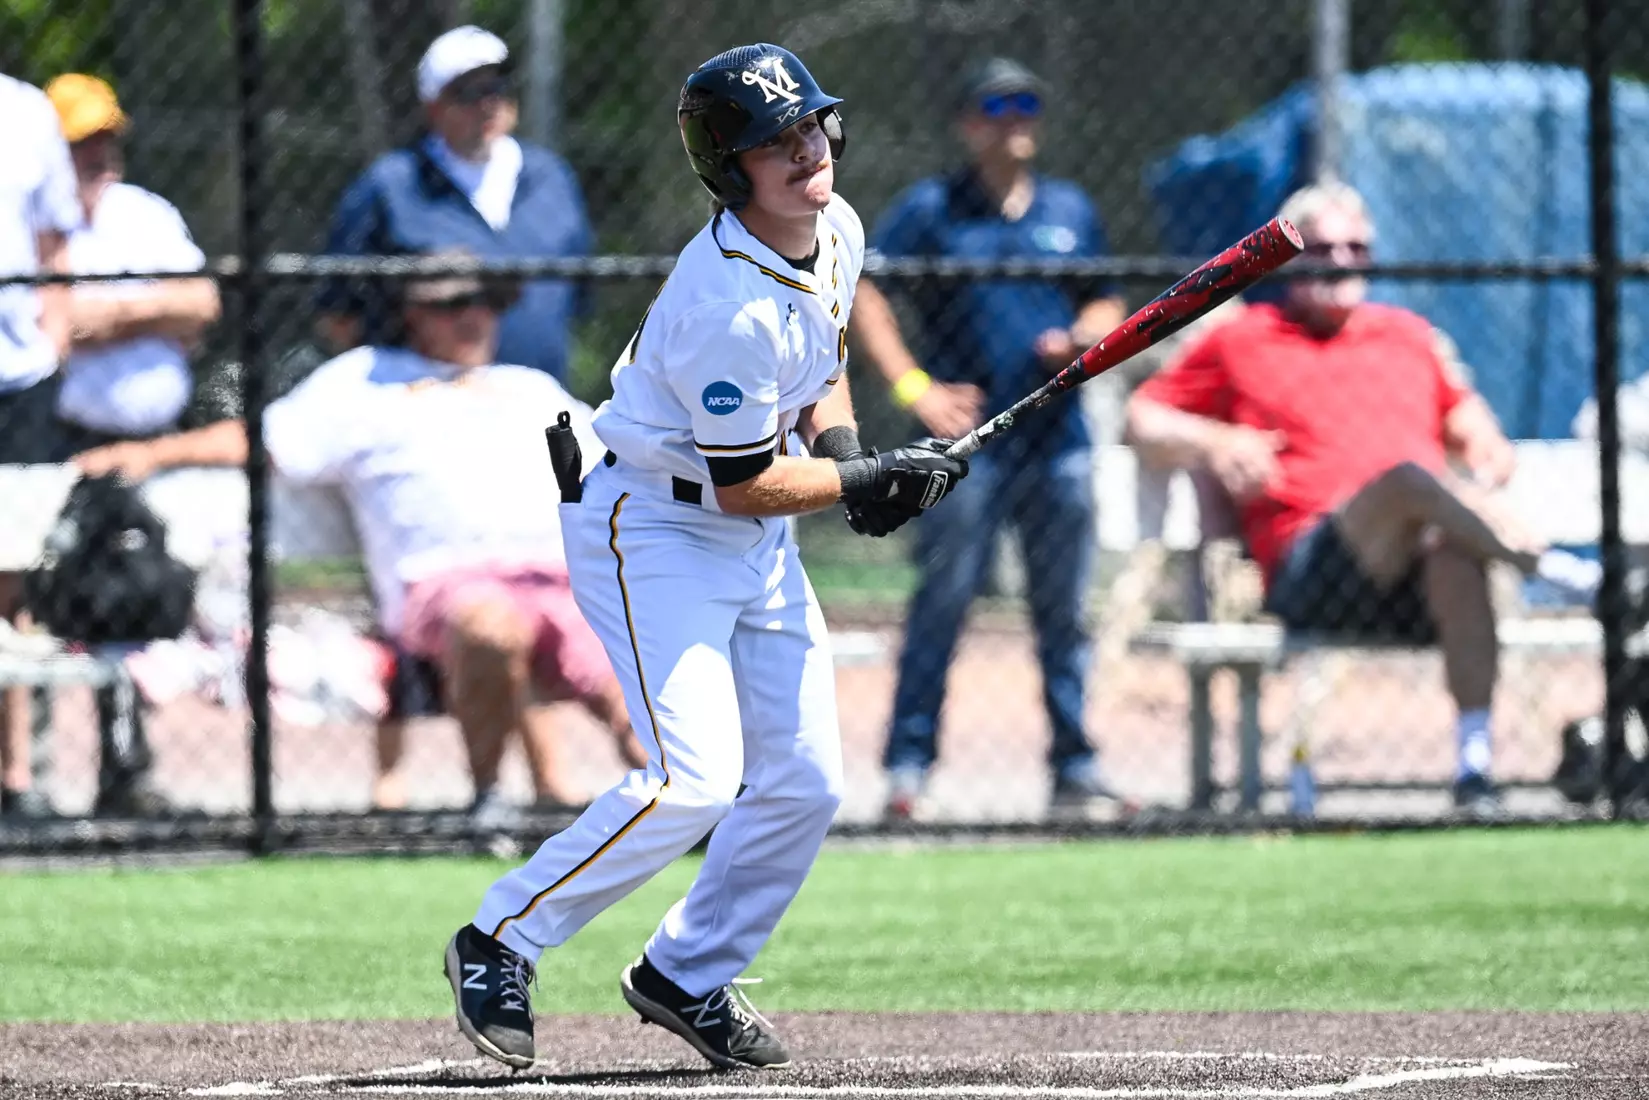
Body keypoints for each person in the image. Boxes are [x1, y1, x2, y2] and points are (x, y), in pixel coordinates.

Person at [440, 44, 969, 1073]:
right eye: (773, 141)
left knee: (807, 781)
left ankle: (684, 970)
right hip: (655, 527)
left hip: (753, 535)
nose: (803, 149)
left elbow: (822, 364)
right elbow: (738, 482)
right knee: (694, 780)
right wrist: (865, 485)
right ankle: (498, 936)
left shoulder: (837, 227)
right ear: (729, 168)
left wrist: (849, 454)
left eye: (810, 125)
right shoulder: (721, 302)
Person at [85, 258, 648, 828]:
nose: (473, 318)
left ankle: (688, 810)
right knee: (492, 625)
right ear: (412, 314)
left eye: (487, 302)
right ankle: (489, 805)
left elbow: (621, 462)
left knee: (633, 685)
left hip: (562, 577)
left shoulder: (528, 387)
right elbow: (268, 440)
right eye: (451, 305)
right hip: (449, 581)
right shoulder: (365, 381)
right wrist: (151, 454)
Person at [1126, 181, 1603, 816]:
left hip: (1418, 581)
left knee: (1453, 553)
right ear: (1285, 257)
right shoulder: (1242, 337)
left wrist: (1486, 449)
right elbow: (1141, 418)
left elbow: (1472, 424)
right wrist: (1215, 441)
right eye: (1323, 246)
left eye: (1357, 247)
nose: (1342, 261)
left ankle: (1474, 770)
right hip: (1312, 571)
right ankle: (1565, 576)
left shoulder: (1408, 335)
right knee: (1405, 478)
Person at [847, 57, 1129, 820]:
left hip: (1056, 444)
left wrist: (1083, 337)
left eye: (1026, 105)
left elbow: (1105, 301)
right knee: (942, 603)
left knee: (1063, 614)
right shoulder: (932, 208)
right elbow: (863, 290)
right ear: (967, 123)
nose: (1014, 121)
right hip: (962, 450)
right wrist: (914, 390)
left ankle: (1075, 767)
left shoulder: (1069, 208)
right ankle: (908, 771)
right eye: (996, 107)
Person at [315, 25, 593, 384]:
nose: (488, 102)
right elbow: (338, 315)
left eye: (497, 86)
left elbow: (579, 299)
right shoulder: (391, 184)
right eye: (468, 92)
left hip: (535, 410)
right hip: (426, 411)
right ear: (433, 107)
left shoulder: (551, 177)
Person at [0, 70, 81, 818]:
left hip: (16, 380)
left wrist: (52, 338)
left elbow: (55, 240)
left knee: (12, 579)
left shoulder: (26, 112)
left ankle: (16, 777)